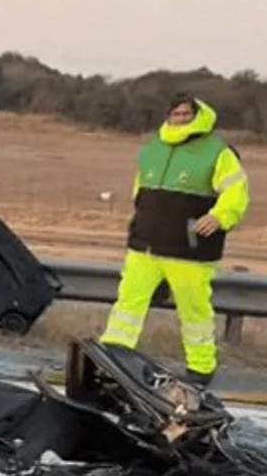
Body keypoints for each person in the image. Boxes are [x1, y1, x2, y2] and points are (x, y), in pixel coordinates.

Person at [100, 95, 251, 386]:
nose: (180, 119)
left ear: (198, 116)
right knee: (128, 304)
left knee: (194, 311)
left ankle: (200, 369)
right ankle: (114, 357)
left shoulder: (218, 152)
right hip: (145, 246)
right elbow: (140, 190)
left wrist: (220, 216)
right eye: (175, 114)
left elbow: (237, 192)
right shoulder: (153, 148)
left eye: (185, 114)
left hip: (189, 251)